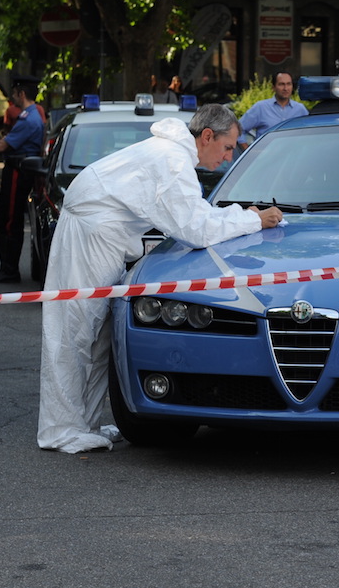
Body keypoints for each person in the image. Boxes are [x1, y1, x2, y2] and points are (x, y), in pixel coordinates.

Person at [37, 103, 284, 453]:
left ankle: (83, 424)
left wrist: (242, 217)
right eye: (228, 147)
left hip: (100, 235)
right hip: (92, 235)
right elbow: (195, 228)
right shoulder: (172, 160)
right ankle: (60, 430)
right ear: (208, 136)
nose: (228, 158)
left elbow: (194, 215)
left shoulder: (172, 156)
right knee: (75, 331)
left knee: (97, 336)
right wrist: (253, 220)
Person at [0, 76, 45, 283]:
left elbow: (1, 146)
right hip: (19, 170)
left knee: (8, 220)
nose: (12, 98)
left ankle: (9, 269)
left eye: (14, 93)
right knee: (5, 219)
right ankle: (8, 268)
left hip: (17, 172)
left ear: (21, 93)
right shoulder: (34, 114)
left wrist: (3, 140)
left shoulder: (28, 118)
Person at [238, 71, 307, 146]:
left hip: (294, 155)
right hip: (266, 156)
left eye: (288, 84)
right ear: (273, 87)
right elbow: (237, 129)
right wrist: (249, 152)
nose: (285, 88)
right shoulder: (261, 107)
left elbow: (309, 134)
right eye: (281, 84)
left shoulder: (300, 109)